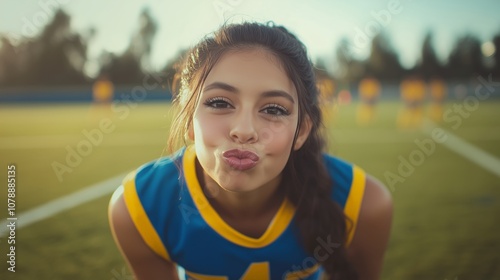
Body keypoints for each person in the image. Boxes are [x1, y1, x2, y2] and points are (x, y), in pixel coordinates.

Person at [108, 22, 393, 280]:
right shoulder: (139, 208)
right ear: (188, 119)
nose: (244, 130)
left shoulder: (363, 205)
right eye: (220, 103)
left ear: (302, 131)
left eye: (273, 109)